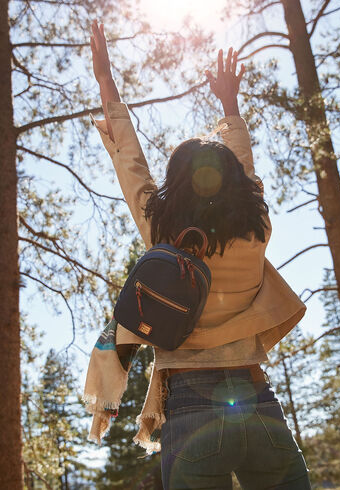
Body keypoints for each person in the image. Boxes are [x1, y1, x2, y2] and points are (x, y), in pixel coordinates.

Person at [87, 20, 312, 489]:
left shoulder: (164, 233)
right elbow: (243, 167)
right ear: (235, 184)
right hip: (256, 400)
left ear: (174, 186)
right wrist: (229, 104)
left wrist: (106, 82)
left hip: (188, 406)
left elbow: (131, 167)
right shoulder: (255, 228)